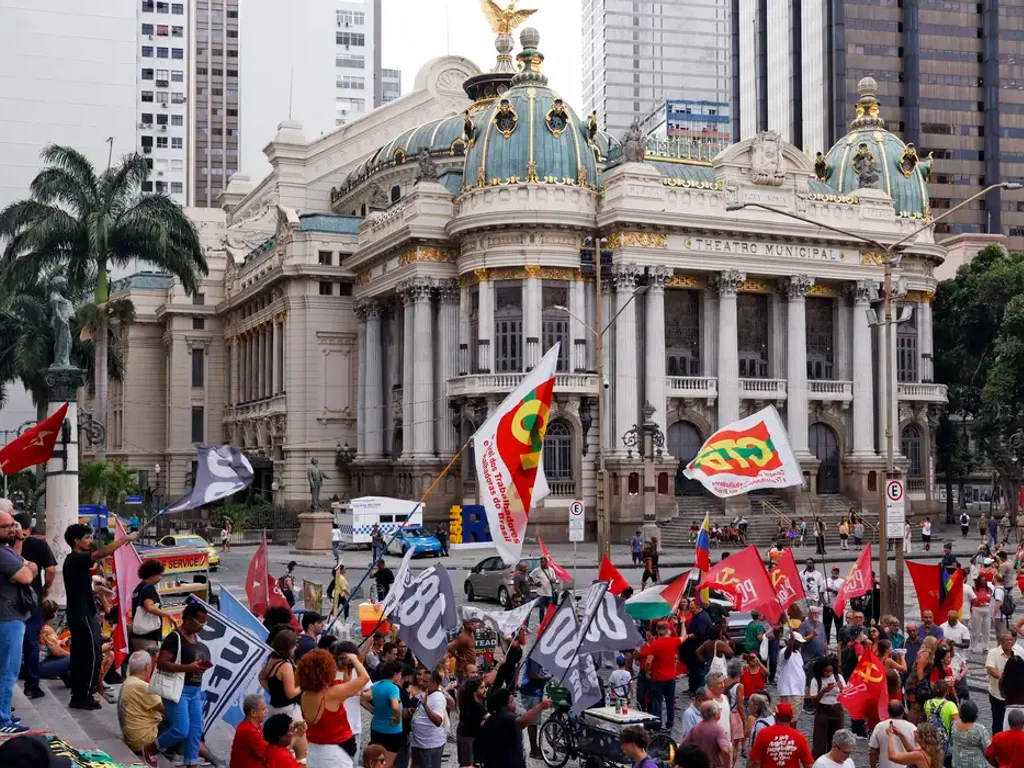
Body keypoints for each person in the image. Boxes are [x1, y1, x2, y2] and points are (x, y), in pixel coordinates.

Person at [62, 522, 139, 710]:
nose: (89, 541)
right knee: (89, 655)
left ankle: (82, 693)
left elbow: (80, 585)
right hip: (82, 615)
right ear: (76, 541)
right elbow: (102, 553)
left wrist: (97, 589)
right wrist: (125, 539)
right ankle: (83, 695)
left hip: (84, 613)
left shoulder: (75, 562)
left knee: (87, 654)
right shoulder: (76, 558)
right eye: (86, 538)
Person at [151, 601, 212, 768]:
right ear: (188, 620)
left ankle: (192, 763)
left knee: (195, 731)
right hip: (178, 691)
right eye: (200, 622)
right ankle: (153, 746)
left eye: (204, 622)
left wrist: (200, 667)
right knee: (181, 729)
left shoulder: (195, 637)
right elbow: (161, 663)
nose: (202, 626)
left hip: (195, 690)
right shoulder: (174, 638)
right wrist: (188, 668)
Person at [299, 648, 370, 768]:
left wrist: (349, 670)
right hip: (334, 755)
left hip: (313, 751)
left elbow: (344, 692)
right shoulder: (331, 694)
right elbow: (365, 678)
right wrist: (355, 659)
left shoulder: (305, 695)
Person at [12, 513, 56, 700]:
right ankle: (32, 685)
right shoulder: (39, 545)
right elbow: (52, 570)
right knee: (31, 644)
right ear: (29, 527)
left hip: (8, 601)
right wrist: (46, 587)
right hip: (31, 601)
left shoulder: (5, 545)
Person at [260, 629, 308, 763]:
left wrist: (272, 691)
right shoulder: (285, 665)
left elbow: (262, 677)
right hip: (289, 710)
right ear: (288, 647)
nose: (296, 647)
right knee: (301, 750)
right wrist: (304, 685)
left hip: (275, 708)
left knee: (279, 743)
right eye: (294, 645)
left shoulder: (272, 660)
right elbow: (291, 693)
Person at [118, 650, 165, 766]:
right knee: (181, 722)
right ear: (147, 667)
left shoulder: (128, 681)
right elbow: (167, 711)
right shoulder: (142, 686)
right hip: (143, 740)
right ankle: (181, 754)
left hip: (133, 738)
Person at [645, 620, 685, 730]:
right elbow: (684, 636)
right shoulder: (673, 641)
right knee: (670, 701)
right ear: (667, 630)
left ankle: (658, 724)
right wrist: (683, 624)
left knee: (657, 702)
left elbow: (649, 661)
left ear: (657, 631)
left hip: (658, 678)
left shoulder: (655, 644)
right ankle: (670, 723)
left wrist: (648, 672)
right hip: (670, 677)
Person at [748, 702, 814, 768]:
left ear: (776, 717)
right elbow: (808, 764)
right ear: (791, 718)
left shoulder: (763, 733)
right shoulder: (799, 737)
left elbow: (754, 762)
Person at [131, 559, 176, 653]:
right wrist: (167, 615)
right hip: (148, 637)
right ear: (153, 574)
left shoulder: (138, 588)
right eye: (160, 574)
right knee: (150, 664)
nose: (161, 578)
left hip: (137, 636)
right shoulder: (149, 589)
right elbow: (149, 607)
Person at [370, 661, 405, 768]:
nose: (401, 676)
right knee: (387, 764)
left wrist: (372, 709)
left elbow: (362, 699)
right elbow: (395, 706)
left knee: (376, 761)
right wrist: (398, 719)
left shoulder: (375, 685)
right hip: (392, 731)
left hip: (376, 727)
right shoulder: (393, 688)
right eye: (400, 674)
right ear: (395, 674)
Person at [809, 658, 846, 759]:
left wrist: (841, 687)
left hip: (837, 710)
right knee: (819, 740)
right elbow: (814, 701)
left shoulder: (838, 677)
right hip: (823, 710)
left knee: (835, 738)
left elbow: (846, 694)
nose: (828, 674)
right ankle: (817, 761)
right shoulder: (816, 680)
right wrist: (823, 691)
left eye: (830, 671)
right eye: (826, 671)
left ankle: (833, 760)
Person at [409, 670, 447, 768]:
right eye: (421, 680)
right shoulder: (427, 693)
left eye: (425, 681)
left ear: (434, 683)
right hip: (419, 743)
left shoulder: (438, 698)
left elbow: (438, 721)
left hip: (430, 745)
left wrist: (425, 706)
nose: (421, 683)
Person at [681, 700, 731, 768]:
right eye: (719, 710)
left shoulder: (695, 727)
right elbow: (725, 751)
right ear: (716, 714)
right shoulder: (718, 730)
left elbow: (683, 745)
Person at [869, 700, 918, 768]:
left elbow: (873, 752)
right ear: (903, 712)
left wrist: (872, 767)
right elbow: (919, 751)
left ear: (888, 712)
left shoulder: (879, 726)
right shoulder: (912, 728)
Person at [520, 657, 551, 758]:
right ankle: (533, 750)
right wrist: (546, 678)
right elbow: (532, 674)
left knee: (535, 721)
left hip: (536, 690)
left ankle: (536, 747)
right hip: (531, 691)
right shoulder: (535, 656)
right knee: (533, 721)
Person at [988, 632, 1017, 734]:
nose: (1009, 642)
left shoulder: (1017, 653)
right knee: (998, 722)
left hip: (1013, 697)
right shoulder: (993, 652)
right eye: (1007, 640)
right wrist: (1005, 678)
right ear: (1001, 641)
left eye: (1011, 640)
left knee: (1013, 722)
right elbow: (990, 668)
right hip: (996, 694)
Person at [777, 628, 807, 726]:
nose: (800, 645)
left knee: (795, 717)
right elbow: (786, 656)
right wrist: (791, 644)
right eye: (798, 642)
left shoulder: (798, 653)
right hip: (790, 691)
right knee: (789, 718)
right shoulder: (784, 651)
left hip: (798, 691)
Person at [231, 693, 269, 768]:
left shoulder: (253, 725)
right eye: (263, 709)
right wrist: (295, 738)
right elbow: (272, 753)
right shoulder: (249, 731)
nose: (266, 711)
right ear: (253, 713)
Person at [457, 677, 488, 768]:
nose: (485, 690)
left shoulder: (469, 699)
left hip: (469, 735)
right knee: (468, 765)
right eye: (482, 688)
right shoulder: (476, 705)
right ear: (474, 692)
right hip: (467, 737)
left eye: (485, 687)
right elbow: (490, 719)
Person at [950, 699, 990, 768]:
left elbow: (951, 742)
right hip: (976, 764)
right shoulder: (979, 729)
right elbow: (988, 750)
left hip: (957, 763)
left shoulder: (954, 725)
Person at [970, 576, 993, 650]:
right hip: (977, 609)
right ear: (979, 581)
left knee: (986, 629)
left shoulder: (988, 589)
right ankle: (973, 646)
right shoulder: (974, 589)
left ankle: (985, 646)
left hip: (987, 609)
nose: (983, 582)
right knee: (976, 630)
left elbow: (991, 599)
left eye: (985, 580)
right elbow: (971, 599)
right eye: (982, 581)